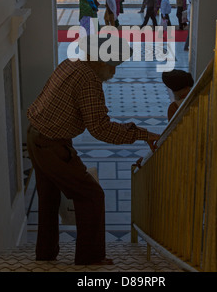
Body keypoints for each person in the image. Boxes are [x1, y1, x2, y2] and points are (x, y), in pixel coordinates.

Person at [27, 35, 160, 265]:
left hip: (35, 136)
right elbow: (100, 129)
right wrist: (143, 134)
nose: (114, 73)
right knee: (91, 196)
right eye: (113, 66)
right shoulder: (88, 80)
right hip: (51, 145)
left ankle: (45, 255)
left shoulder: (70, 63)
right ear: (100, 60)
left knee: (48, 200)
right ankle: (90, 258)